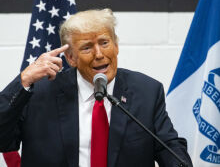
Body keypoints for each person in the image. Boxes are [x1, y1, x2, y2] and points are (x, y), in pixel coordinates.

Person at [0, 9, 193, 167]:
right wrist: (23, 81)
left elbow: (168, 147)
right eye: (87, 47)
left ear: (116, 46)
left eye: (104, 42)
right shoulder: (38, 94)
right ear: (70, 58)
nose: (99, 54)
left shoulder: (147, 91)